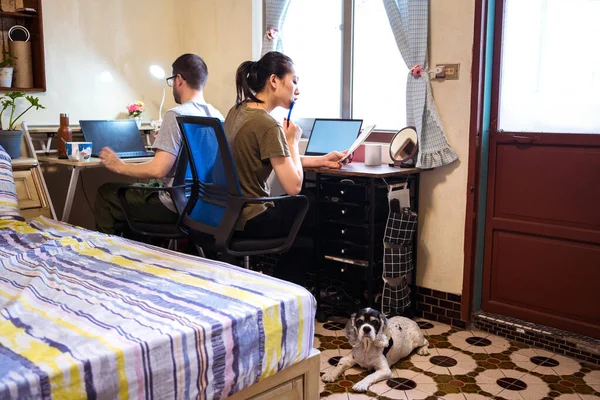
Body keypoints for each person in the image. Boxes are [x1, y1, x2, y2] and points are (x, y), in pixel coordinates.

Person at [224, 51, 350, 283]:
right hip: (251, 218)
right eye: (294, 81)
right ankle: (284, 288)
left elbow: (273, 158)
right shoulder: (267, 124)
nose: (297, 90)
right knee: (312, 204)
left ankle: (276, 280)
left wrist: (322, 160)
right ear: (274, 81)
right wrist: (291, 141)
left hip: (227, 213)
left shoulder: (238, 111)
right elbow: (293, 186)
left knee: (304, 213)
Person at [94, 54, 224, 235]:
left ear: (179, 79)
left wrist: (119, 166)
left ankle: (104, 255)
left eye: (172, 80)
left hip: (175, 205)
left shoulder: (176, 114)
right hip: (205, 205)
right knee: (132, 196)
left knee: (107, 193)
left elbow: (158, 170)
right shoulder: (217, 116)